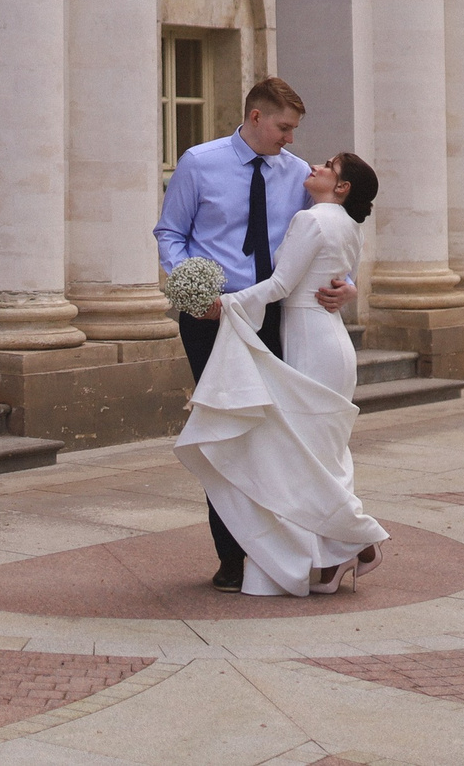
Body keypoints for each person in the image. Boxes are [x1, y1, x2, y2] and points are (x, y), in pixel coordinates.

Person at [155, 76, 354, 592]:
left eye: (294, 130)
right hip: (208, 321)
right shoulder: (199, 162)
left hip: (275, 320)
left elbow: (325, 241)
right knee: (226, 435)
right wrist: (188, 287)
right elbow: (171, 232)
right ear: (256, 117)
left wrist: (345, 285)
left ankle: (280, 550)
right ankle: (232, 557)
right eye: (284, 128)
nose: (290, 139)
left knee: (277, 436)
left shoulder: (298, 177)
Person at [174, 151, 390, 597]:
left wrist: (224, 306)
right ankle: (334, 558)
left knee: (306, 458)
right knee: (322, 455)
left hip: (310, 341)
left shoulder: (310, 220)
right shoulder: (350, 225)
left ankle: (361, 538)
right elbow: (338, 276)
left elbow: (279, 286)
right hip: (332, 340)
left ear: (342, 186)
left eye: (328, 166)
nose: (314, 167)